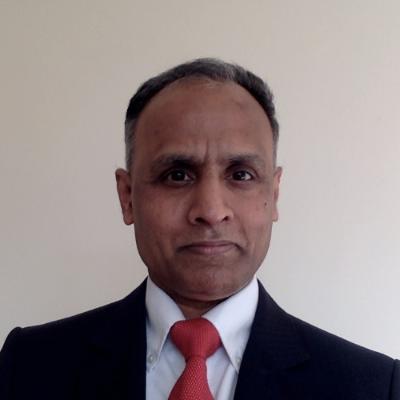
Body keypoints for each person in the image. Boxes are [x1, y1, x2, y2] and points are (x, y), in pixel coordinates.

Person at [0, 58, 398, 400]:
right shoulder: (29, 366)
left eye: (241, 174)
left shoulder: (374, 387)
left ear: (274, 194)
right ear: (127, 196)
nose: (210, 210)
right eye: (177, 175)